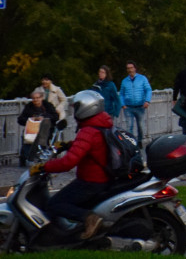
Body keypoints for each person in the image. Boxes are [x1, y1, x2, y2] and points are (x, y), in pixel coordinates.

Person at [38, 90, 112, 239]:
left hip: (91, 181)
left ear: (86, 108)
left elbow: (68, 162)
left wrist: (44, 167)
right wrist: (69, 145)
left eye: (77, 108)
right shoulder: (101, 124)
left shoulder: (88, 131)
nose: (74, 112)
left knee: (54, 204)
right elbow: (92, 147)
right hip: (102, 177)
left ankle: (89, 218)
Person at [17, 90, 59, 167]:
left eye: (37, 98)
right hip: (31, 129)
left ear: (41, 98)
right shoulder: (29, 106)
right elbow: (20, 119)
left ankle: (39, 153)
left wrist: (44, 117)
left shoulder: (48, 106)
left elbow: (55, 117)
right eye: (34, 98)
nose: (35, 100)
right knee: (27, 138)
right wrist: (31, 119)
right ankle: (26, 156)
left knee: (43, 131)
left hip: (45, 129)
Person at [119, 60, 152, 146]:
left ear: (135, 68)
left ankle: (140, 141)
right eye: (128, 68)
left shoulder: (142, 78)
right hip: (128, 107)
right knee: (129, 126)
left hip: (140, 106)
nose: (130, 70)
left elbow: (148, 90)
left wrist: (147, 101)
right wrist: (123, 104)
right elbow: (121, 93)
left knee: (140, 126)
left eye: (131, 68)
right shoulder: (125, 81)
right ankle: (131, 143)